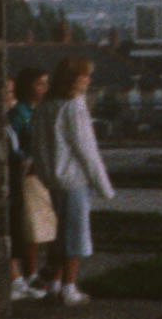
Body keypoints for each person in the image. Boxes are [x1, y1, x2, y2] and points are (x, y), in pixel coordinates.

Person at [33, 53, 115, 305]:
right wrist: (104, 186)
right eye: (85, 75)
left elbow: (37, 145)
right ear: (74, 79)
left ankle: (54, 284)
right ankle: (69, 287)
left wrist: (45, 174)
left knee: (60, 234)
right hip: (74, 179)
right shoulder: (74, 106)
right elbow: (86, 150)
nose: (89, 80)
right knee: (76, 236)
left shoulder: (46, 106)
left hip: (53, 179)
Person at [6, 68, 54, 301]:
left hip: (41, 173)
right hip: (27, 175)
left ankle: (36, 273)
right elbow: (12, 144)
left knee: (42, 226)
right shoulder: (19, 113)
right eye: (40, 83)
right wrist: (27, 159)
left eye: (46, 83)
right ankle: (29, 274)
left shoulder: (40, 110)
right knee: (31, 226)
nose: (45, 88)